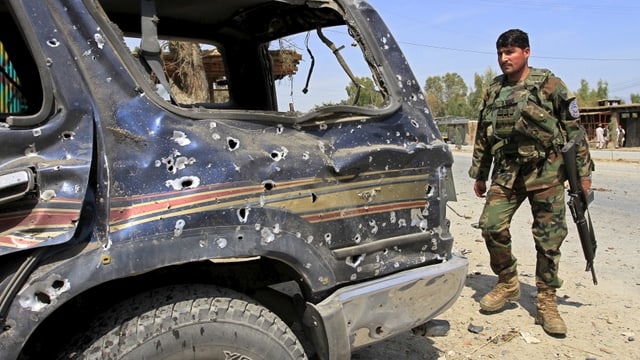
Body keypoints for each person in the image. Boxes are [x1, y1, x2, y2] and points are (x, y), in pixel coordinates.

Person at [468, 29, 594, 336]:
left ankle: (546, 300)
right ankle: (508, 282)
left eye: (510, 52)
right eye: (500, 53)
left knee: (548, 240)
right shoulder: (494, 89)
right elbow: (484, 133)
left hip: (546, 171)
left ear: (526, 52)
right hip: (508, 172)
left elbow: (574, 131)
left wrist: (584, 174)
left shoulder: (550, 84)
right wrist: (480, 173)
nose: (503, 59)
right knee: (491, 226)